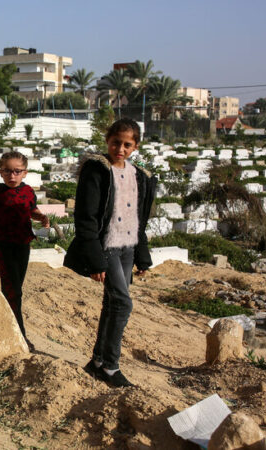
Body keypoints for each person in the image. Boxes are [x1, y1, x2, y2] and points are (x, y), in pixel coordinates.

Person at [64, 118, 156, 387]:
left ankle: (98, 362)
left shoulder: (140, 175)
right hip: (106, 247)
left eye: (127, 144)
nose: (121, 149)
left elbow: (138, 218)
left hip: (128, 247)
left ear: (135, 147)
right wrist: (95, 260)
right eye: (116, 142)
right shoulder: (96, 170)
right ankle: (111, 367)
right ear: (107, 141)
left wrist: (142, 255)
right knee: (122, 303)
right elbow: (86, 217)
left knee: (112, 303)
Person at [0, 151, 49, 351]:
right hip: (2, 245)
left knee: (15, 290)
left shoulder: (28, 192)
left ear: (25, 173)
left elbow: (31, 210)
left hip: (23, 244)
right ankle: (20, 336)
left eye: (17, 171)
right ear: (1, 172)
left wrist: (40, 217)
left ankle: (5, 326)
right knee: (13, 290)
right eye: (8, 171)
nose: (12, 175)